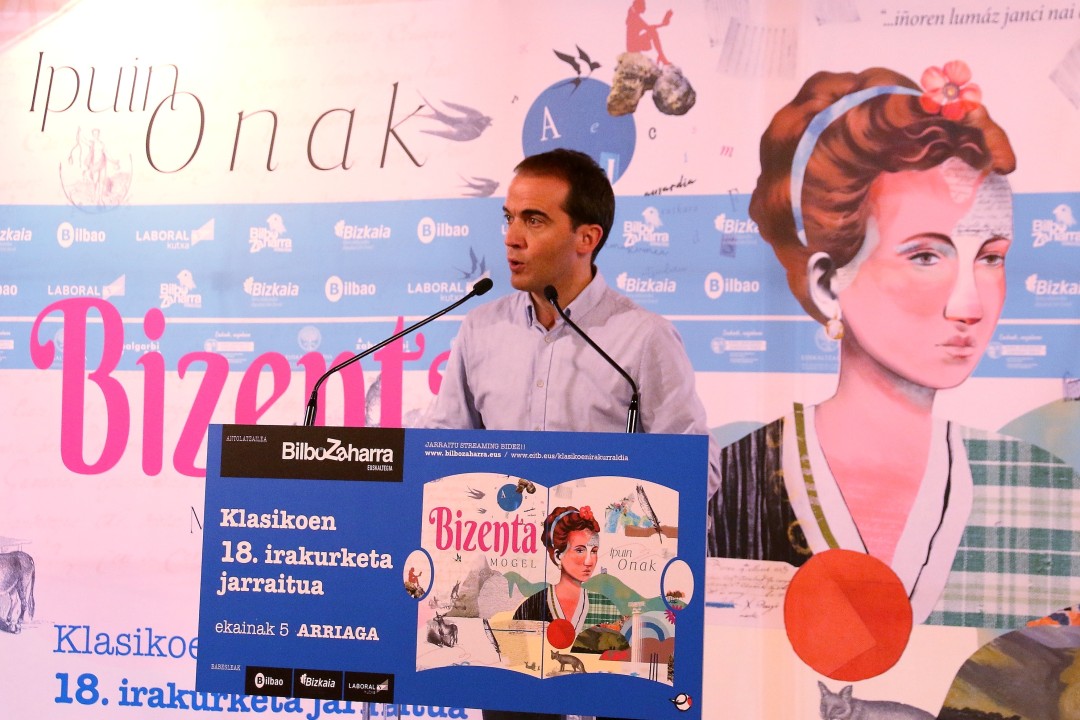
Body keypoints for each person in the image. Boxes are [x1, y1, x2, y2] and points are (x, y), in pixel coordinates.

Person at [706, 63, 1080, 628]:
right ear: (828, 283)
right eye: (925, 256)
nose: (968, 304)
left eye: (990, 258)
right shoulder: (730, 485)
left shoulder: (1041, 489)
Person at [426, 148, 716, 720]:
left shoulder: (642, 339)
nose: (512, 237)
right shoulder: (480, 330)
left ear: (587, 237)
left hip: (614, 613)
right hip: (509, 605)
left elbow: (696, 473)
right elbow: (443, 459)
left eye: (534, 220)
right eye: (508, 217)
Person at [513, 506, 621, 641]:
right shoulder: (531, 607)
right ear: (558, 556)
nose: (589, 561)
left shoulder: (606, 608)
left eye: (594, 551)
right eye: (580, 550)